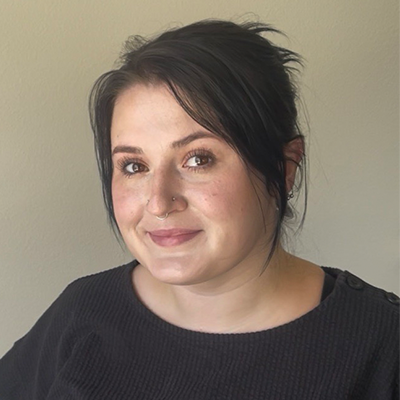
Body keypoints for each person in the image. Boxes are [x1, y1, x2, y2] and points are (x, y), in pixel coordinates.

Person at [0, 19, 398, 400]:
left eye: (198, 159)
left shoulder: (383, 346)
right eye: (134, 166)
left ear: (284, 168)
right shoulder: (83, 310)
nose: (159, 202)